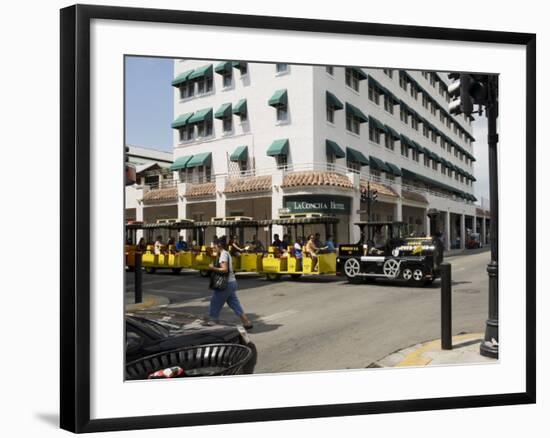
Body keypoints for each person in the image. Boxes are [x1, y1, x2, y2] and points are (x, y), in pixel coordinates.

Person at [208, 239, 253, 329]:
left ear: (219, 245)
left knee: (215, 303)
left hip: (226, 284)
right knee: (234, 303)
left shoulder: (223, 255)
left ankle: (212, 323)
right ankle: (247, 322)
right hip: (231, 283)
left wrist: (213, 268)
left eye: (214, 246)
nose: (213, 247)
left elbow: (224, 269)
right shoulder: (225, 253)